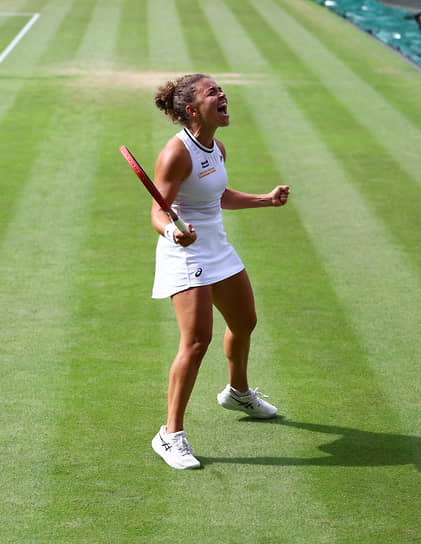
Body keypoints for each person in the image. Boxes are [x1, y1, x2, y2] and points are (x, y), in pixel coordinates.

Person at [148, 73, 290, 470]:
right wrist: (174, 233)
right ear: (193, 110)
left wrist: (266, 199)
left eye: (220, 89)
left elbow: (218, 195)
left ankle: (238, 391)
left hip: (216, 247)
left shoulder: (216, 148)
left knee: (245, 321)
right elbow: (159, 210)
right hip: (185, 253)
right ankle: (170, 434)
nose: (222, 94)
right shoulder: (176, 153)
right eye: (213, 92)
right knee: (196, 342)